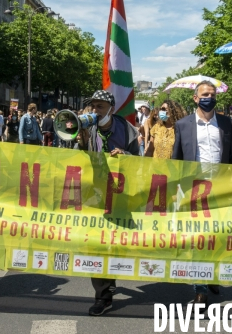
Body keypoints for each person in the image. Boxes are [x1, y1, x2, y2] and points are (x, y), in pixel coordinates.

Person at [172, 80, 232, 305]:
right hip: (195, 190)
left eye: (212, 94)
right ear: (195, 98)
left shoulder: (226, 123)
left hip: (221, 189)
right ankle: (200, 288)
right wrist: (177, 190)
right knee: (199, 239)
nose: (209, 97)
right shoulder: (183, 125)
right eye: (204, 94)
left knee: (218, 236)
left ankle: (213, 275)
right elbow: (177, 160)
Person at [78, 90, 139, 316]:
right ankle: (102, 295)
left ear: (111, 109)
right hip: (95, 196)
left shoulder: (127, 130)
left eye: (100, 107)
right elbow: (75, 161)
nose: (95, 111)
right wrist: (81, 143)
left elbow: (139, 160)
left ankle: (110, 277)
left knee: (117, 242)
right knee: (98, 244)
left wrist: (124, 155)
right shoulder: (86, 128)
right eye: (93, 106)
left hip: (121, 196)